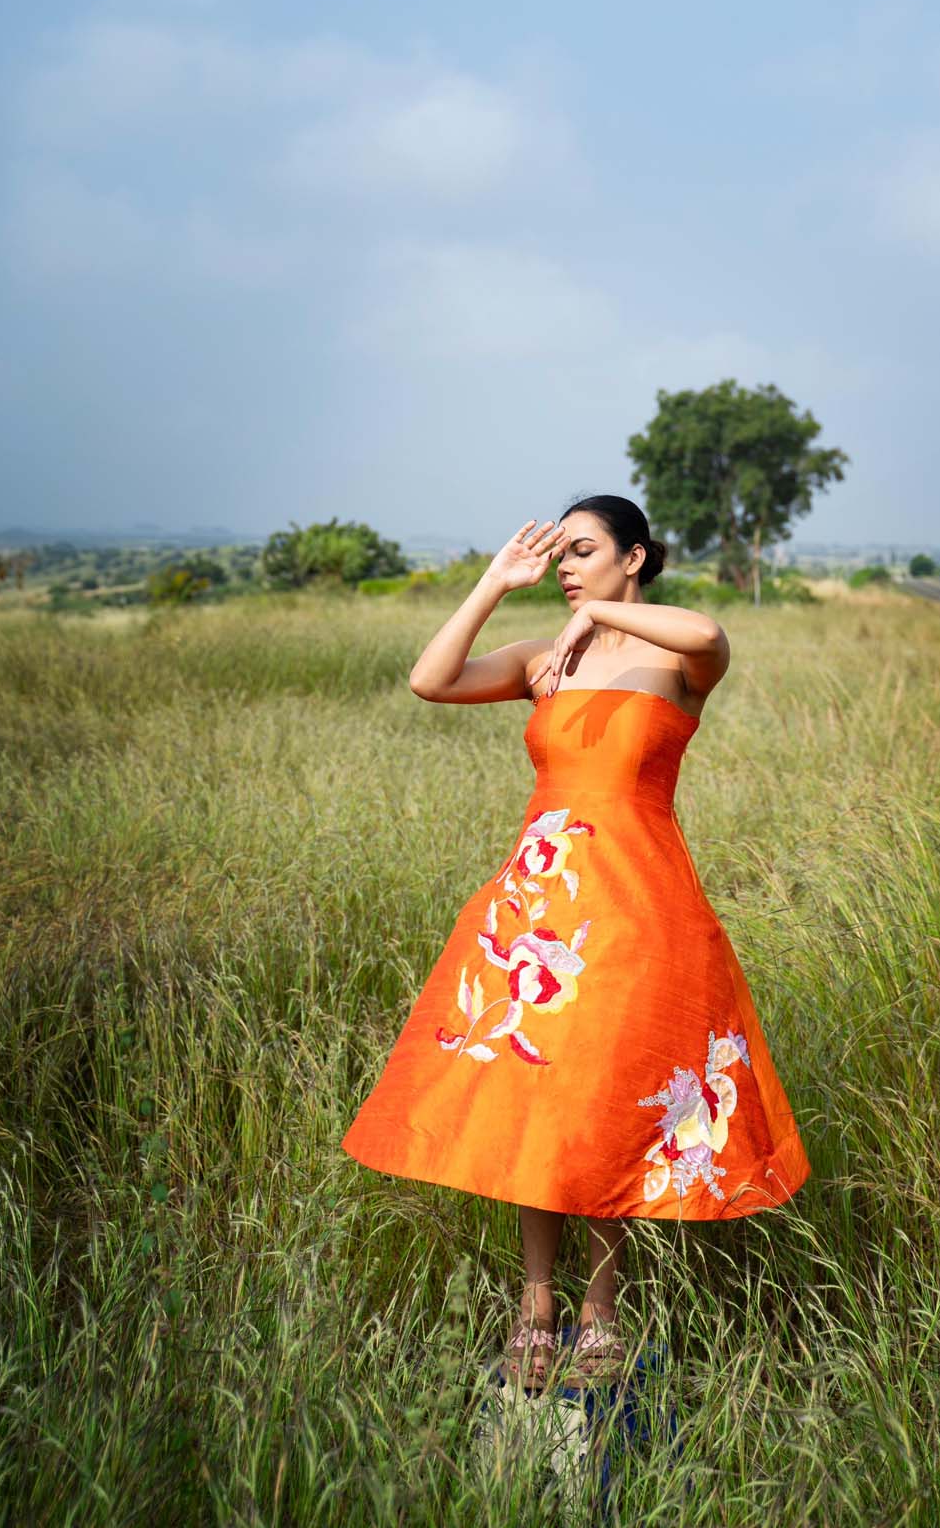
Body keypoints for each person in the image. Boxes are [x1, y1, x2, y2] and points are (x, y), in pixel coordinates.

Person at [342, 493, 810, 1390]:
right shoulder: (543, 658)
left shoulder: (675, 663)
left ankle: (601, 1306)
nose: (563, 566)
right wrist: (492, 583)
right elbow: (429, 680)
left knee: (609, 1097)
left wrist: (593, 613)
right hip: (539, 912)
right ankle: (536, 1301)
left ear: (634, 558)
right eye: (558, 555)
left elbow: (709, 630)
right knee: (539, 1101)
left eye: (582, 551)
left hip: (641, 908)